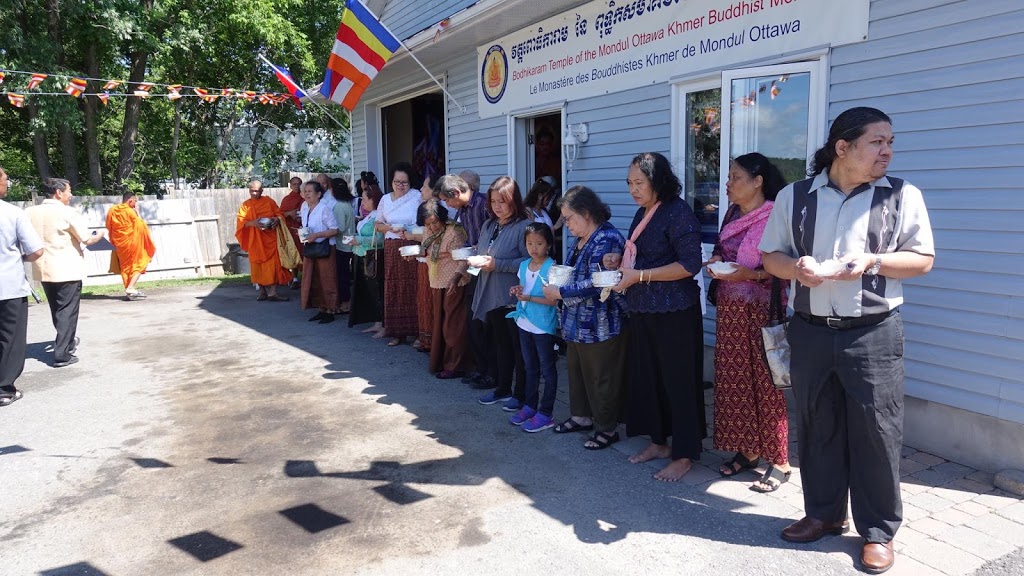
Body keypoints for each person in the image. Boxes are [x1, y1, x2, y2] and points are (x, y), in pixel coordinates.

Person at [760, 107, 934, 574]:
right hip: (811, 332)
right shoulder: (795, 196)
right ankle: (822, 514)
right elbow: (770, 255)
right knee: (818, 425)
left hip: (874, 334)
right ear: (843, 147)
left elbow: (922, 260)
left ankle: (877, 532)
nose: (887, 151)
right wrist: (794, 269)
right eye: (877, 142)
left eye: (889, 142)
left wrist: (873, 261)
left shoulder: (901, 195)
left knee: (878, 433)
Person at [612, 152, 705, 482]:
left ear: (658, 180)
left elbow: (689, 264)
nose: (633, 189)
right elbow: (640, 255)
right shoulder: (643, 212)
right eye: (630, 183)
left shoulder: (678, 212)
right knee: (649, 378)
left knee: (678, 383)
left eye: (640, 183)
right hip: (643, 308)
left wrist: (640, 276)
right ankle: (659, 442)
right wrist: (618, 261)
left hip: (675, 311)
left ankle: (683, 454)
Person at [706, 153, 792, 492]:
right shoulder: (730, 213)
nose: (727, 183)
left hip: (762, 312)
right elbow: (723, 251)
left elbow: (783, 270)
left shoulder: (774, 216)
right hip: (730, 311)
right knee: (733, 381)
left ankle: (781, 461)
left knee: (766, 385)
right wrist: (716, 261)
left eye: (735, 177)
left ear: (758, 182)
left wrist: (750, 275)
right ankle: (748, 450)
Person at [542, 186, 628, 448]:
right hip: (576, 321)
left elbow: (598, 283)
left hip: (601, 321)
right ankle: (581, 417)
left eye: (569, 218)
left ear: (586, 213)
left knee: (600, 376)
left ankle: (606, 427)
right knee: (577, 370)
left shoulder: (607, 238)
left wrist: (560, 291)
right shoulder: (583, 237)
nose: (565, 223)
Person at [26, 178, 105, 368]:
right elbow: (86, 239)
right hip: (66, 267)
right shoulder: (67, 212)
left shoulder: (29, 212)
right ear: (58, 192)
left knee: (57, 308)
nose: (71, 195)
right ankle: (62, 353)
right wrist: (100, 235)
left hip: (42, 267)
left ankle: (66, 341)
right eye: (69, 191)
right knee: (68, 310)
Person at [470, 176, 531, 410]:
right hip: (491, 294)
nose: (497, 206)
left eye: (502, 201)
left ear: (514, 201)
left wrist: (498, 264)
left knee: (518, 348)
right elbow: (483, 250)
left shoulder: (523, 227)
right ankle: (503, 388)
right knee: (500, 345)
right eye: (493, 201)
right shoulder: (489, 224)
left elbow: (530, 261)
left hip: (514, 297)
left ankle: (521, 393)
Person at [436, 171, 490, 387]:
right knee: (473, 321)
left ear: (457, 192)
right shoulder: (463, 210)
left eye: (448, 200)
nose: (448, 204)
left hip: (489, 269)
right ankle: (479, 368)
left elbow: (494, 237)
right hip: (472, 269)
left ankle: (490, 373)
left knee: (485, 324)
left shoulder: (484, 204)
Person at [507, 222, 559, 432]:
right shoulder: (523, 265)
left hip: (543, 325)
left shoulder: (552, 267)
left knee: (547, 370)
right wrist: (517, 289)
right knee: (530, 368)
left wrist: (528, 296)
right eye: (530, 243)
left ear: (548, 245)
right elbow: (524, 288)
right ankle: (530, 406)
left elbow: (553, 301)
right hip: (524, 321)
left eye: (539, 243)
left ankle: (546, 413)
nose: (534, 248)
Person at [0, 166, 44, 405]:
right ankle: (4, 389)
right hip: (7, 285)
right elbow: (36, 250)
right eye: (6, 180)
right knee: (11, 338)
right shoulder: (12, 213)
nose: (8, 184)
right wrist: (18, 258)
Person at [417, 199, 471, 379]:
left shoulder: (453, 232)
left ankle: (455, 365)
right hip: (436, 280)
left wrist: (456, 278)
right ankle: (441, 361)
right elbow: (427, 250)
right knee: (439, 323)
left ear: (442, 218)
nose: (431, 227)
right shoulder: (428, 231)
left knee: (453, 325)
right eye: (427, 224)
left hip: (453, 282)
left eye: (434, 222)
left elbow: (464, 258)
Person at [375, 162, 421, 346]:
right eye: (397, 182)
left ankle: (418, 332)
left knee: (412, 287)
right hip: (392, 247)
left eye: (404, 182)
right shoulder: (385, 199)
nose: (400, 186)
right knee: (393, 286)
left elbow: (423, 220)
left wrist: (406, 229)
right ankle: (397, 332)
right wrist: (390, 228)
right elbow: (378, 224)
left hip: (410, 243)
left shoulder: (416, 196)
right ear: (391, 182)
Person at [235, 179, 291, 301]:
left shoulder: (269, 201)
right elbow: (241, 223)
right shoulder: (246, 205)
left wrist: (277, 219)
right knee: (257, 265)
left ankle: (273, 292)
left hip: (271, 238)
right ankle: (262, 291)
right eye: (252, 191)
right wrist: (253, 223)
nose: (254, 193)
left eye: (257, 191)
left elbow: (279, 213)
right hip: (255, 240)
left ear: (262, 190)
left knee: (275, 265)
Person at [348, 181, 386, 336]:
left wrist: (360, 240)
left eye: (364, 199)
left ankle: (384, 323)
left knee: (378, 291)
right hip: (361, 255)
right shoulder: (369, 215)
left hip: (373, 257)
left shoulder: (379, 216)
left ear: (373, 199)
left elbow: (380, 240)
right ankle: (377, 322)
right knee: (370, 292)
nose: (362, 203)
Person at [300, 180, 340, 324]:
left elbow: (335, 230)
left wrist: (316, 235)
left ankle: (330, 310)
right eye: (305, 191)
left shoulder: (324, 208)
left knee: (327, 279)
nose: (307, 194)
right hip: (311, 248)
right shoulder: (305, 209)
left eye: (310, 191)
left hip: (325, 248)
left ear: (318, 194)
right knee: (314, 279)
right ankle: (321, 309)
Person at [105, 191, 156, 300]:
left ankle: (130, 292)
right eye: (135, 201)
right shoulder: (129, 211)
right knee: (141, 262)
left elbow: (108, 226)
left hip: (120, 245)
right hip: (132, 243)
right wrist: (138, 213)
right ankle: (131, 287)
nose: (136, 204)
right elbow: (141, 226)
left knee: (125, 267)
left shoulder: (112, 210)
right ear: (130, 200)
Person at [331, 177, 356, 314]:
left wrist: (328, 230)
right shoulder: (347, 204)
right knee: (345, 275)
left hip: (342, 245)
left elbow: (339, 227)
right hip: (349, 243)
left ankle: (345, 303)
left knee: (342, 276)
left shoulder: (339, 206)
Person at [280, 176, 305, 288]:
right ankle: (295, 279)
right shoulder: (286, 199)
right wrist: (289, 213)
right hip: (291, 229)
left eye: (299, 184)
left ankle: (306, 277)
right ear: (290, 185)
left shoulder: (305, 197)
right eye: (294, 184)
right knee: (293, 252)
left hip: (303, 228)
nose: (297, 186)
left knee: (304, 253)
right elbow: (280, 215)